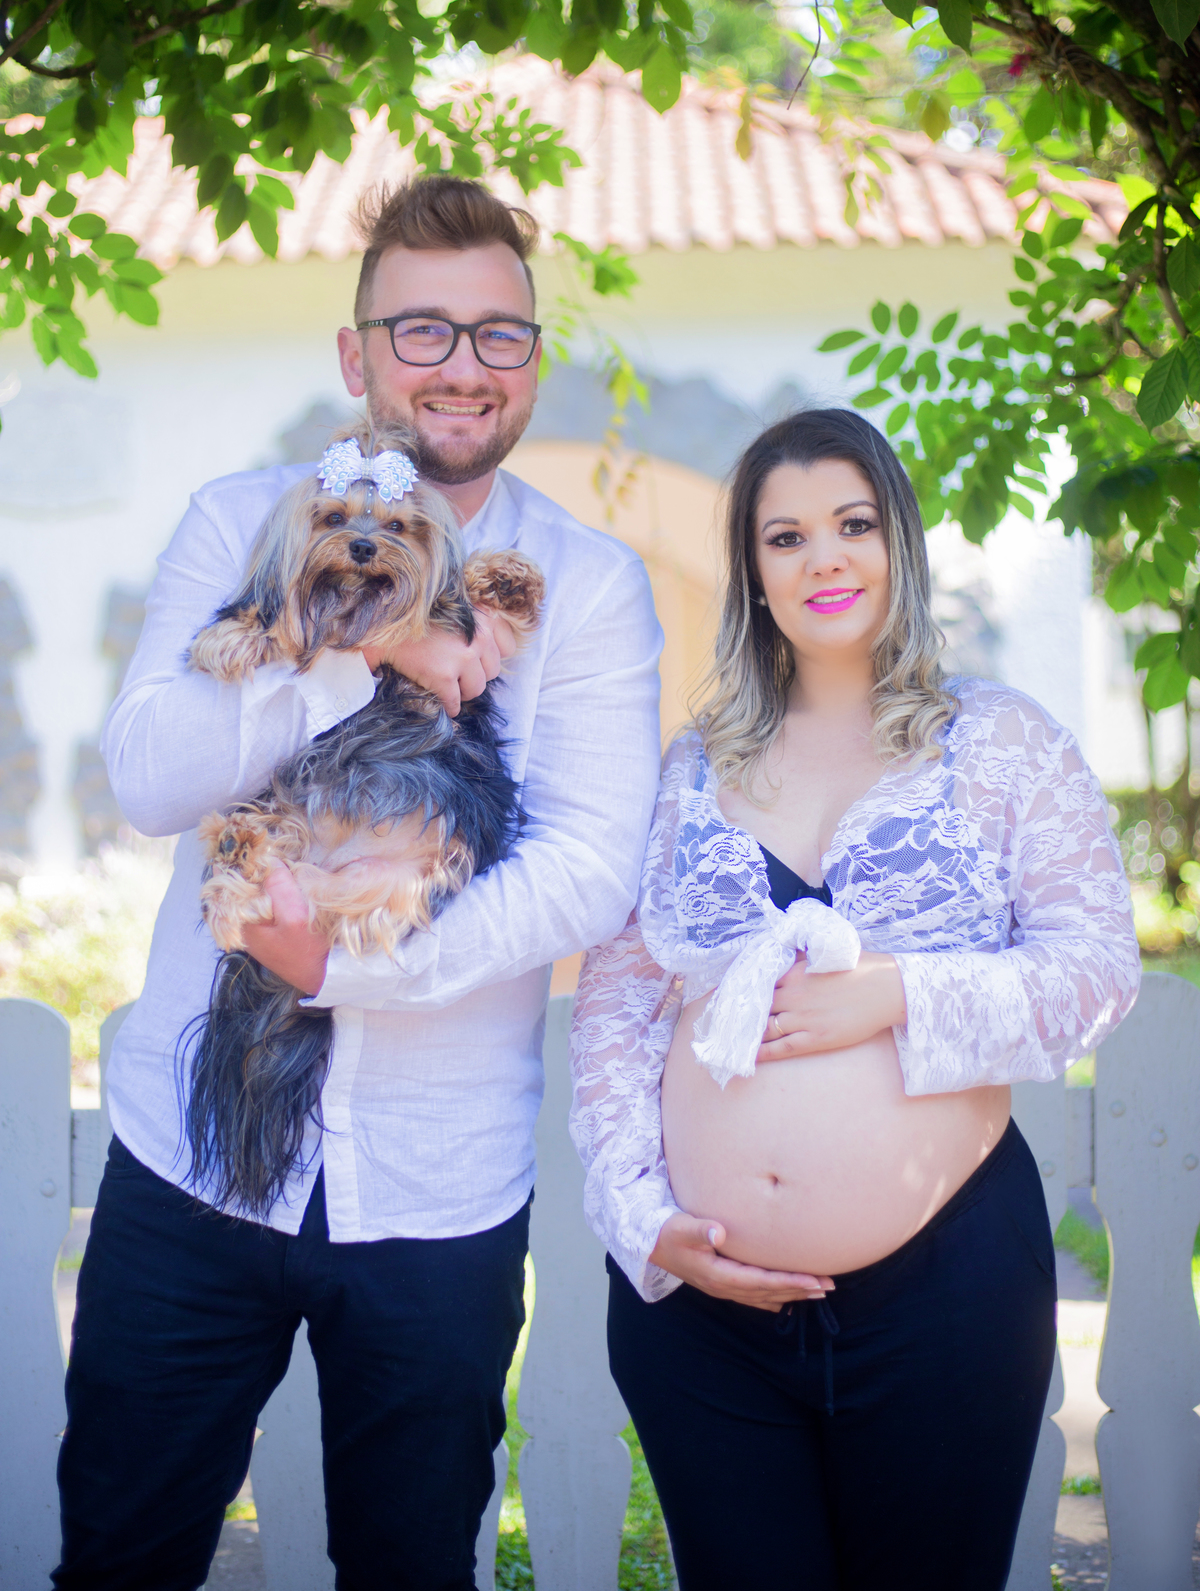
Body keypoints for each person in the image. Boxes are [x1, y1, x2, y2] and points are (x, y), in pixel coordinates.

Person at [57, 176, 663, 1591]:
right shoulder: (240, 524)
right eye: (423, 329)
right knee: (125, 1549)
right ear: (356, 355)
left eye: (499, 334)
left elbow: (586, 869)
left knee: (411, 1564)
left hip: (436, 1188)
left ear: (533, 356)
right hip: (190, 1159)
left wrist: (352, 968)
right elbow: (150, 778)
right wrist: (370, 646)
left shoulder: (588, 583)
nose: (462, 364)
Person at [570, 407, 1139, 1591]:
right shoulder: (691, 767)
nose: (824, 559)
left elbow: (1096, 973)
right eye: (785, 538)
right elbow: (619, 1009)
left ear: (900, 542)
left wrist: (897, 996)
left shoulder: (1003, 745)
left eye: (853, 524)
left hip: (945, 1297)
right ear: (752, 572)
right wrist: (642, 1221)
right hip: (704, 1317)